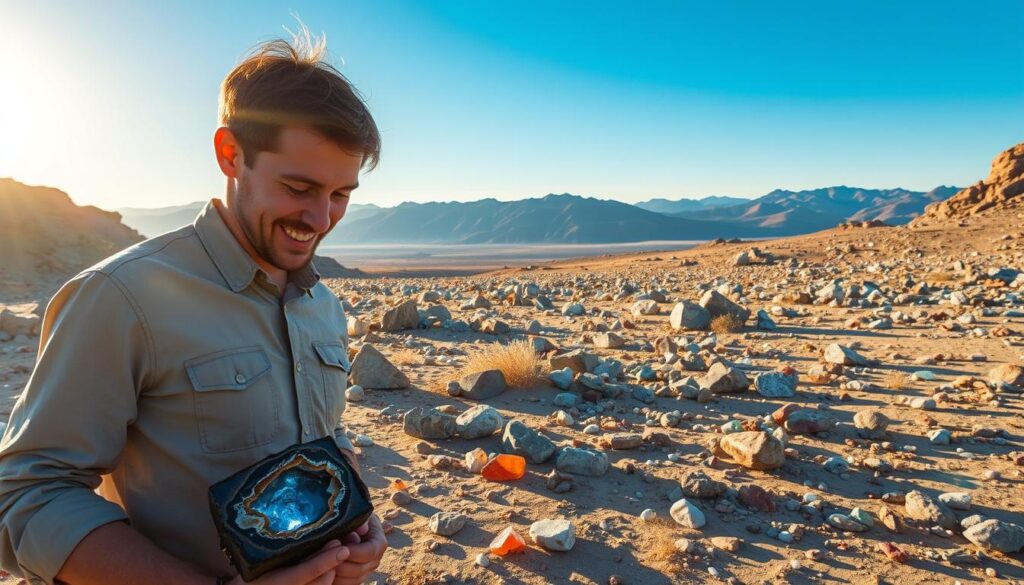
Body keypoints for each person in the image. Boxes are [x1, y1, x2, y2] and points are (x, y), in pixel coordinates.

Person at [0, 27, 387, 585]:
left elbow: (324, 442)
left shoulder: (320, 305)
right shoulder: (121, 296)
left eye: (341, 195)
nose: (321, 219)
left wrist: (355, 523)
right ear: (231, 155)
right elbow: (27, 495)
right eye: (299, 188)